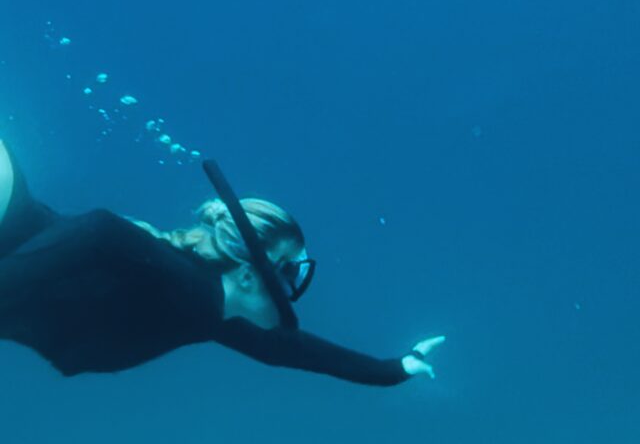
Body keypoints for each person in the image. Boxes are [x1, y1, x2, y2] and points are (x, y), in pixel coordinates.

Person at [0, 139, 445, 385]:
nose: (293, 290)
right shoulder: (199, 297)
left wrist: (395, 368)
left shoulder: (211, 313)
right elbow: (103, 229)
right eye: (290, 272)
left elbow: (283, 349)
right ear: (251, 275)